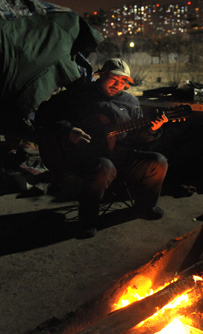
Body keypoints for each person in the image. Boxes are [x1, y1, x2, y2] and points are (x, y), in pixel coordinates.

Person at [35, 58, 169, 238]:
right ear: (101, 75)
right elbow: (44, 113)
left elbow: (137, 139)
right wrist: (68, 130)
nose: (118, 84)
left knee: (158, 162)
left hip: (120, 156)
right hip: (83, 158)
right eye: (114, 78)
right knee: (103, 168)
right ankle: (87, 221)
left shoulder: (131, 102)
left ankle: (146, 207)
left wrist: (152, 130)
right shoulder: (79, 95)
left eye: (123, 81)